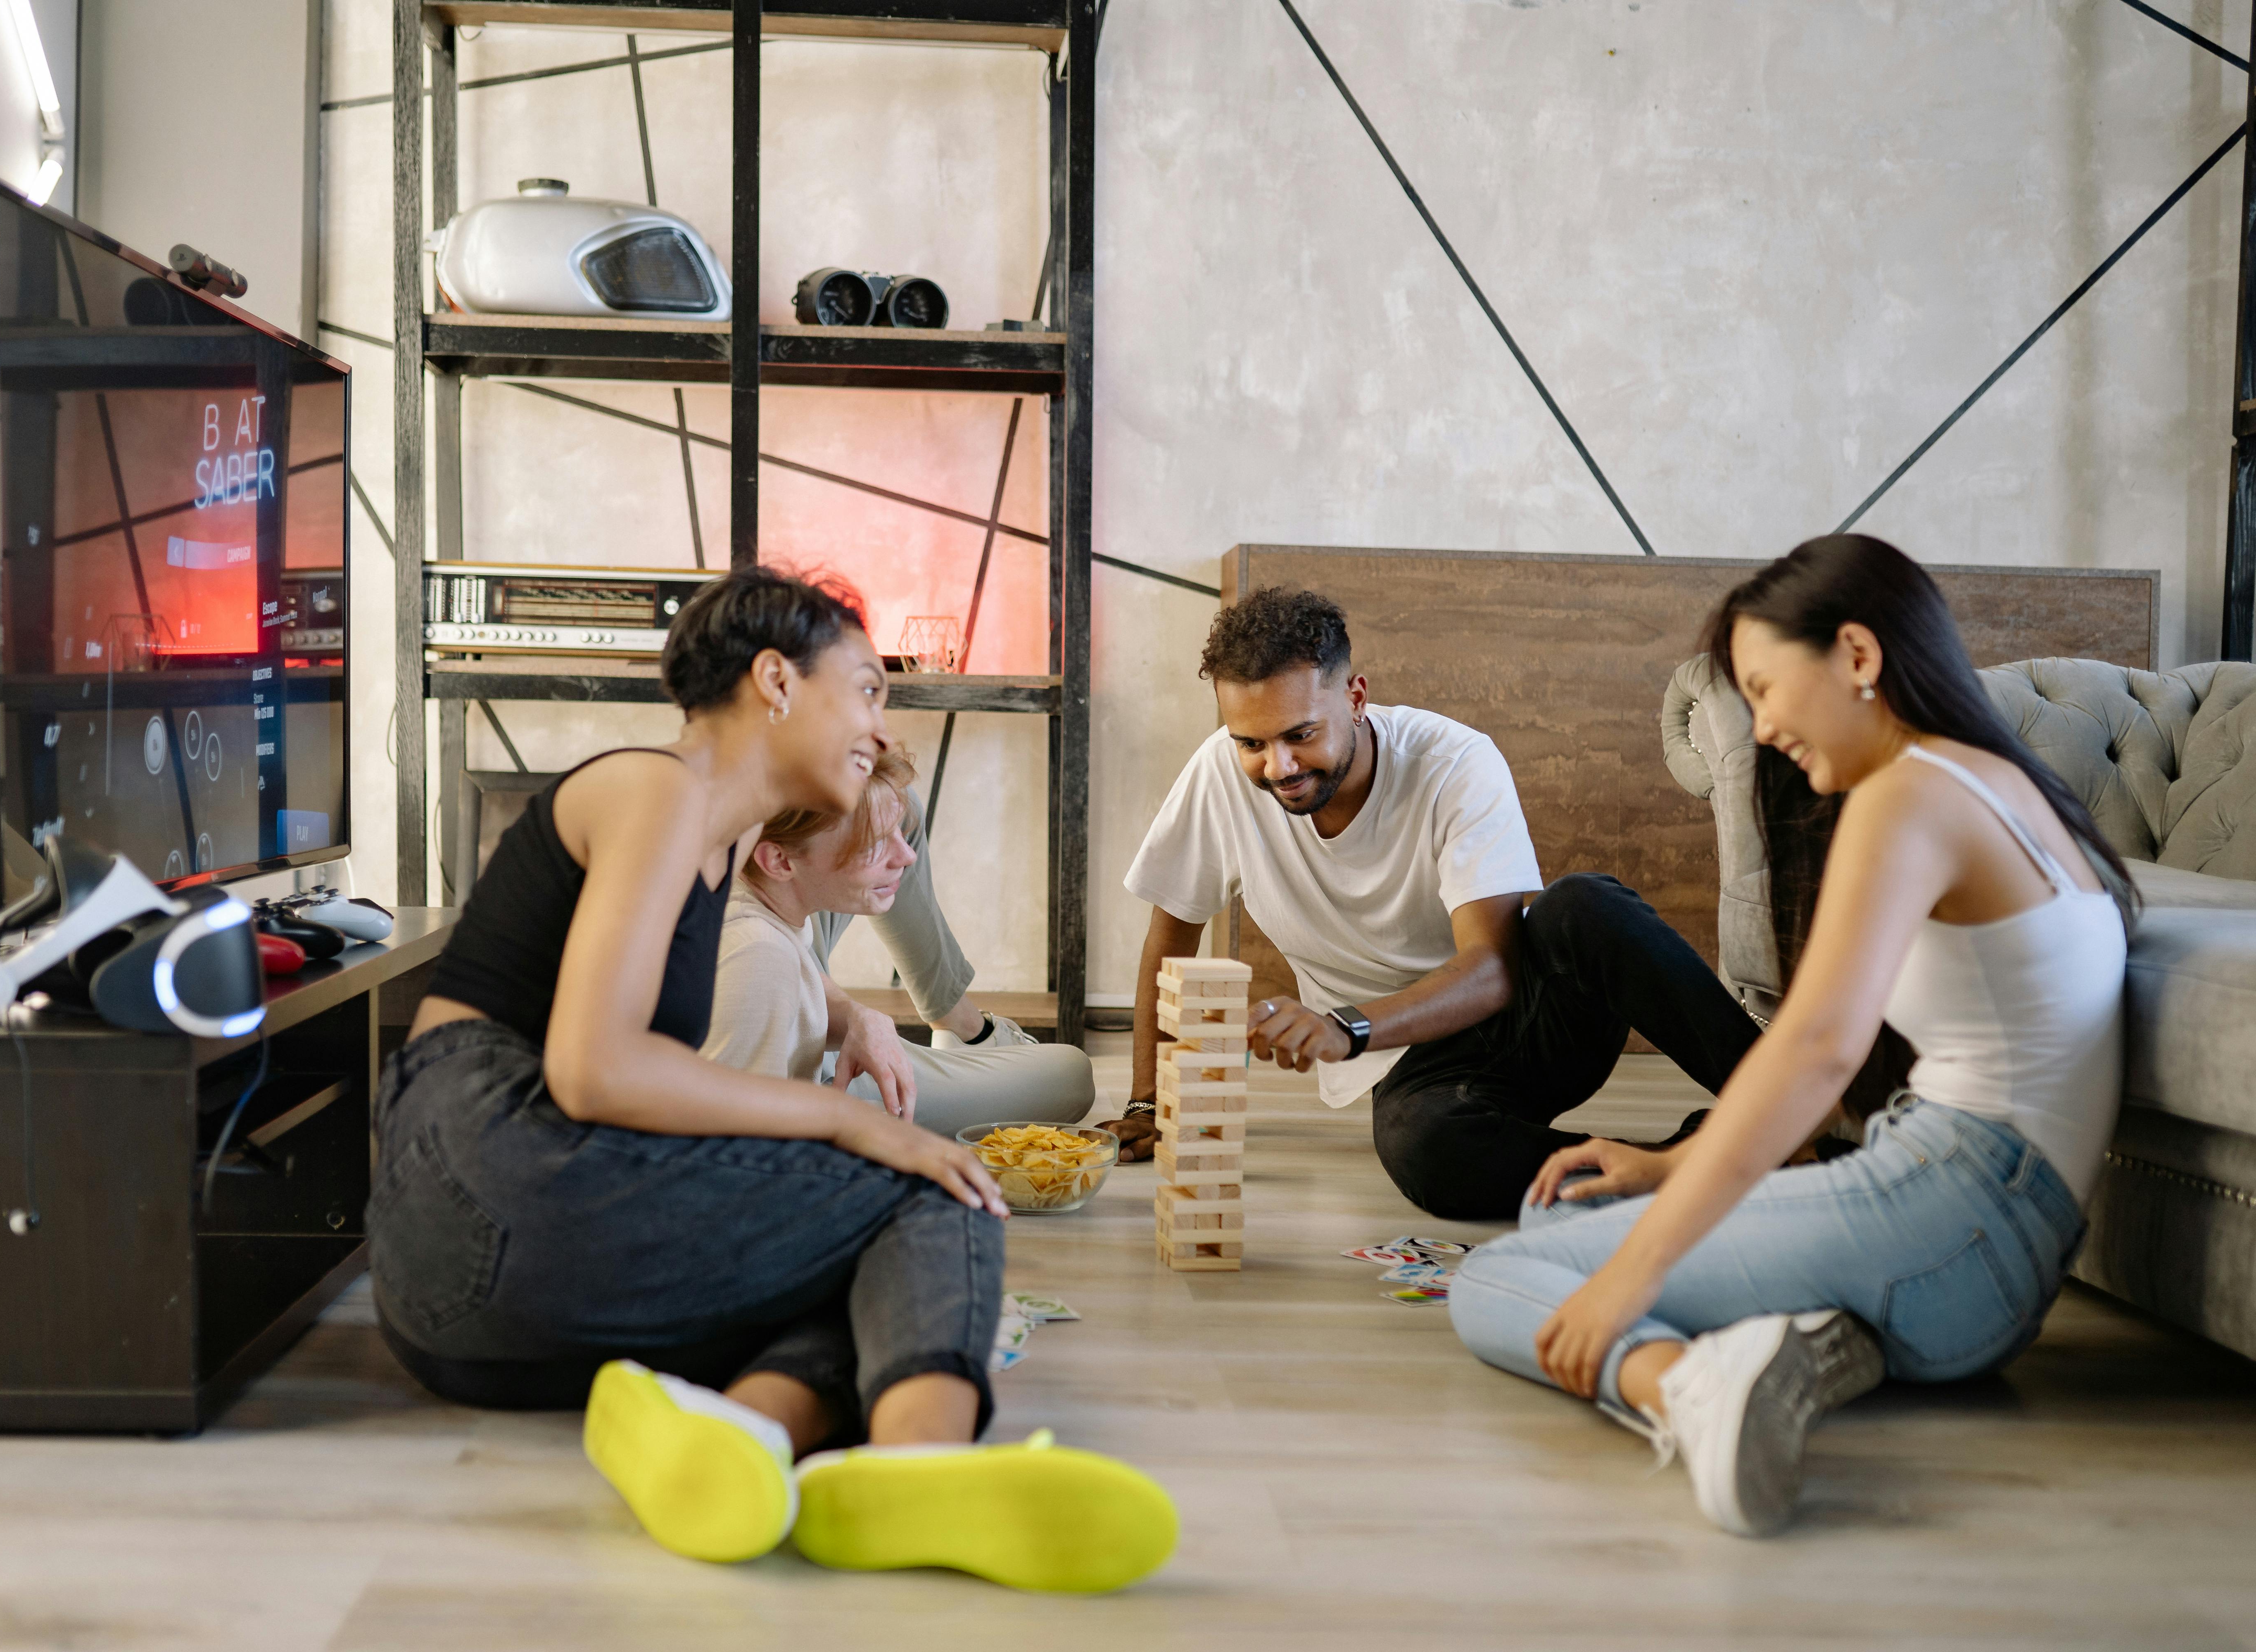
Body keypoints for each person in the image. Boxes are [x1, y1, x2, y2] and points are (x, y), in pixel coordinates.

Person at [366, 567, 1175, 1591]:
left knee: (849, 1275)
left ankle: (733, 1437)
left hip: (460, 1309)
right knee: (932, 1191)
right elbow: (593, 1065)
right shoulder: (659, 787)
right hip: (492, 1169)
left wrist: (848, 1015)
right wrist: (852, 1126)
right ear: (775, 682)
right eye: (870, 689)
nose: (880, 731)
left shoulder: (724, 838)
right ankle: (923, 1464)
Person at [1446, 535, 2135, 1537]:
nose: (1763, 727)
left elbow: (1814, 1051)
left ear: (1857, 656)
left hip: (1950, 1212)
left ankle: (1686, 1384)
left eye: (1765, 687)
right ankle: (1801, 1339)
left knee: (1501, 1274)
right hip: (1989, 1258)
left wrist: (1628, 1284)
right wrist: (1663, 1167)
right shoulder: (2002, 784)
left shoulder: (1909, 793)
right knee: (1565, 1229)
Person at [1104, 587, 1763, 1219]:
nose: (1278, 766)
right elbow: (1170, 944)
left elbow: (1494, 970)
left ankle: (1785, 1110)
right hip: (1414, 1060)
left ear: (1356, 698)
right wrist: (1146, 1104)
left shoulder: (1454, 762)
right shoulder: (1218, 774)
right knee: (1425, 1149)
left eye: (1300, 734)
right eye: (1252, 743)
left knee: (1584, 905)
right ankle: (1678, 1166)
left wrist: (1346, 1027)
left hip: (1531, 1022)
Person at [705, 745, 1098, 1136]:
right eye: (874, 843)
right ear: (780, 861)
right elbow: (740, 1149)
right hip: (816, 1093)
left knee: (899, 800)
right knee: (1070, 1076)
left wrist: (860, 1016)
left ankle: (959, 1029)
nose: (907, 856)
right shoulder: (758, 957)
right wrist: (894, 1148)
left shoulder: (746, 877)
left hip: (799, 1013)